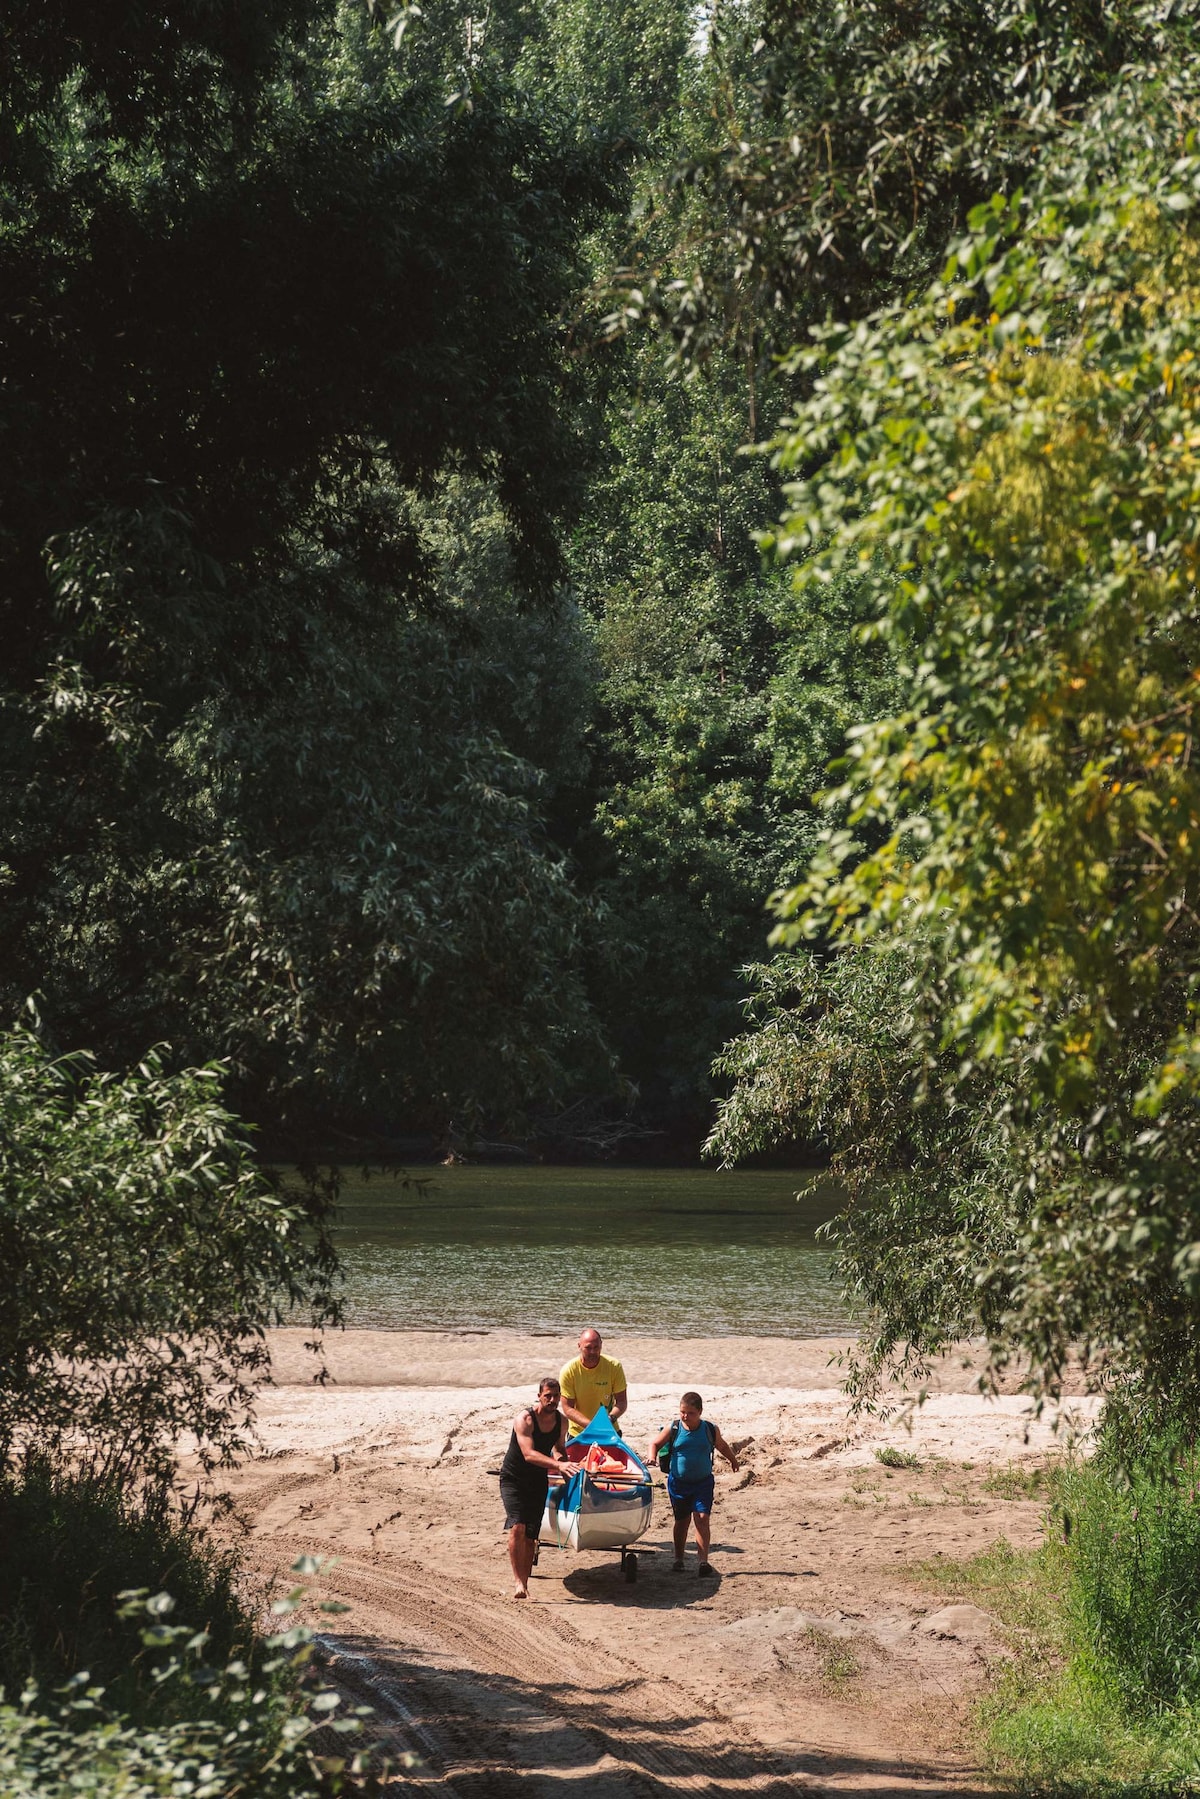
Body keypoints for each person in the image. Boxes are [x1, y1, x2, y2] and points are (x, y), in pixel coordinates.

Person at [649, 1391, 739, 1579]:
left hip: (703, 1483)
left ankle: (703, 1561)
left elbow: (721, 1446)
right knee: (681, 1522)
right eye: (682, 1412)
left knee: (702, 1517)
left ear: (699, 1412)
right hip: (678, 1483)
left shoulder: (709, 1429)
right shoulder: (673, 1428)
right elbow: (655, 1444)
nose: (685, 1416)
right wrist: (651, 1457)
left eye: (690, 1413)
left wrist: (733, 1460)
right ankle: (679, 1558)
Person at [499, 1376, 567, 1600]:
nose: (552, 1400)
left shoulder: (561, 1421)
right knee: (517, 1526)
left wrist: (565, 1464)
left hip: (538, 1478)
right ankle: (518, 1582)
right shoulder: (525, 1419)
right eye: (548, 1395)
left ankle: (525, 1583)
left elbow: (558, 1449)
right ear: (539, 1396)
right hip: (514, 1478)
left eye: (556, 1396)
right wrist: (558, 1464)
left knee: (531, 1535)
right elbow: (528, 1454)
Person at [559, 1328, 627, 1439]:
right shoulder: (569, 1370)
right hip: (579, 1433)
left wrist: (610, 1418)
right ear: (579, 1346)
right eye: (588, 1348)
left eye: (596, 1347)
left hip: (609, 1429)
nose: (593, 1352)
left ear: (601, 1345)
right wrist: (592, 1427)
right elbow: (568, 1408)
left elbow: (622, 1402)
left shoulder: (614, 1366)